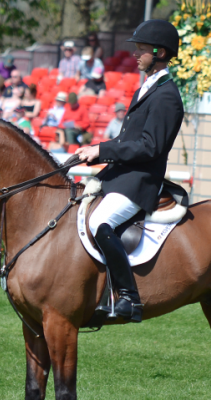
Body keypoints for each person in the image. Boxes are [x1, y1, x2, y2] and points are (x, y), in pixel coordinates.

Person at [75, 19, 183, 323]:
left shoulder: (166, 96)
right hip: (121, 175)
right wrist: (97, 149)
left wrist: (103, 151)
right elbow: (127, 139)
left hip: (139, 182)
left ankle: (128, 298)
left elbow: (150, 147)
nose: (135, 54)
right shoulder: (148, 88)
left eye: (142, 49)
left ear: (160, 52)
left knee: (100, 221)